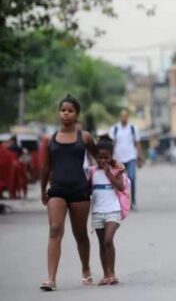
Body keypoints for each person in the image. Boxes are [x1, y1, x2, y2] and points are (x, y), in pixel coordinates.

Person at [39, 95, 97, 291]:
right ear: (59, 112)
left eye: (70, 110)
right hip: (57, 190)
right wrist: (42, 190)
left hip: (80, 190)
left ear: (76, 114)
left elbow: (100, 158)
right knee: (55, 229)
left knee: (80, 233)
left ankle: (86, 269)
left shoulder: (85, 137)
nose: (66, 113)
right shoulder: (51, 139)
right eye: (63, 110)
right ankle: (51, 278)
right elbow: (46, 167)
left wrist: (114, 169)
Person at [90, 135, 127, 286]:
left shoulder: (116, 170)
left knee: (108, 240)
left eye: (106, 157)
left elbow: (120, 186)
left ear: (112, 157)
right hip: (97, 212)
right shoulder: (91, 171)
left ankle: (112, 273)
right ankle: (106, 274)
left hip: (113, 210)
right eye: (100, 157)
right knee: (101, 243)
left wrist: (108, 172)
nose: (103, 160)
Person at [109, 109, 142, 210]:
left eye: (125, 116)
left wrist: (139, 157)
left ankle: (133, 202)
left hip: (131, 157)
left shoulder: (133, 128)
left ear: (127, 117)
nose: (124, 118)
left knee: (131, 178)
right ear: (120, 117)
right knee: (119, 181)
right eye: (122, 116)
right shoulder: (114, 129)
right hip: (118, 159)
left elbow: (137, 143)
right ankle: (119, 202)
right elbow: (111, 144)